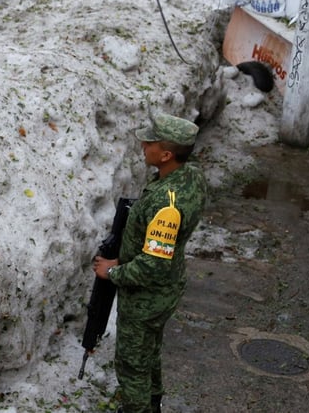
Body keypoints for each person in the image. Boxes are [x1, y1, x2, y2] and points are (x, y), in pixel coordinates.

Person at [92, 112, 209, 413]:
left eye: (151, 142)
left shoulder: (167, 205)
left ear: (166, 154)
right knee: (149, 351)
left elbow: (152, 265)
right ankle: (152, 402)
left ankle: (138, 407)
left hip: (148, 296)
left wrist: (114, 271)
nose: (144, 145)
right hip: (166, 287)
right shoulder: (190, 176)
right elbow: (158, 249)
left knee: (132, 361)